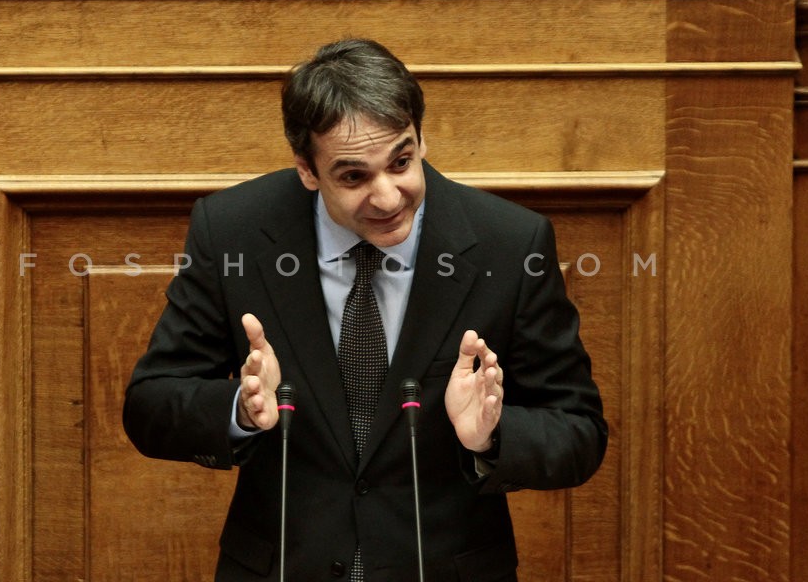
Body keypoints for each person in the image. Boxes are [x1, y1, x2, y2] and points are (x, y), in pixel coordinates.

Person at [123, 38, 607, 582]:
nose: (388, 197)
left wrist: (491, 437)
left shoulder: (510, 243)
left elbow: (579, 431)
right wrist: (240, 408)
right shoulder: (233, 231)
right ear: (307, 170)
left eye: (401, 162)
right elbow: (150, 404)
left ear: (421, 139)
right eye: (353, 176)